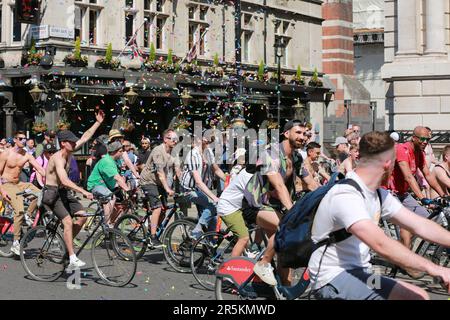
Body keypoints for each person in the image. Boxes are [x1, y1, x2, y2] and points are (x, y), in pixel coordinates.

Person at [309, 131, 450, 300]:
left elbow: (419, 225)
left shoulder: (378, 195)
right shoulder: (346, 195)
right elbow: (381, 244)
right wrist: (436, 269)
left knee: (417, 294)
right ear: (388, 164)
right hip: (332, 278)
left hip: (362, 275)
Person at [249, 120, 319, 286]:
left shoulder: (296, 157)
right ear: (286, 134)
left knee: (285, 250)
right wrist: (292, 211)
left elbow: (310, 183)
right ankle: (263, 263)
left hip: (274, 207)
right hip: (255, 205)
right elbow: (279, 186)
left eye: (305, 134)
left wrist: (330, 196)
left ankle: (285, 290)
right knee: (286, 226)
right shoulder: (270, 154)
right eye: (298, 133)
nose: (303, 137)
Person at [43, 110, 104, 270]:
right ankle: (71, 257)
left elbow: (85, 136)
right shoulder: (57, 158)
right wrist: (83, 191)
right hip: (52, 193)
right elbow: (63, 180)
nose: (74, 143)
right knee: (68, 221)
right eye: (71, 142)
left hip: (63, 193)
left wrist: (97, 122)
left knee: (82, 217)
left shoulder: (70, 151)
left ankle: (65, 242)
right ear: (63, 143)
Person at [383, 126, 446, 272]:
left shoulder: (420, 153)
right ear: (414, 138)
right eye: (423, 139)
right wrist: (423, 198)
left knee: (427, 219)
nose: (425, 142)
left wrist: (443, 195)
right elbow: (408, 177)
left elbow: (428, 175)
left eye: (428, 139)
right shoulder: (402, 149)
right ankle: (405, 260)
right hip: (389, 192)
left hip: (403, 193)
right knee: (406, 223)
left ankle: (403, 252)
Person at [0, 131, 45, 255]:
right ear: (15, 140)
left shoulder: (26, 155)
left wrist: (51, 178)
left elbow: (39, 168)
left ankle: (28, 215)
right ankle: (15, 243)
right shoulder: (6, 154)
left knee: (40, 193)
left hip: (19, 184)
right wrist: (2, 191)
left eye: (25, 139)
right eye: (20, 138)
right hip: (7, 184)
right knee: (19, 210)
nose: (23, 141)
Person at [140, 129, 181, 248]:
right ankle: (153, 237)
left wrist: (185, 184)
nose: (175, 141)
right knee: (157, 207)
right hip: (148, 181)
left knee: (164, 209)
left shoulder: (174, 152)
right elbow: (160, 173)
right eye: (172, 139)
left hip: (159, 183)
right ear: (165, 139)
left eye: (176, 139)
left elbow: (178, 170)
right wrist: (168, 189)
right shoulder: (158, 151)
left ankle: (154, 227)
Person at [180, 134, 221, 239]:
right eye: (207, 138)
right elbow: (198, 181)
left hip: (201, 190)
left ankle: (210, 249)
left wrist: (230, 181)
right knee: (213, 205)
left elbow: (216, 170)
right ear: (199, 139)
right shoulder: (192, 154)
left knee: (213, 219)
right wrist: (214, 197)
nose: (210, 140)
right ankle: (196, 231)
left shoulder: (208, 152)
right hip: (189, 190)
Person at [87, 141, 130, 226]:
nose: (122, 153)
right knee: (111, 197)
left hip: (107, 185)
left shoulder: (115, 161)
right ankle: (106, 225)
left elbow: (119, 177)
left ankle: (111, 222)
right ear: (114, 151)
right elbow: (117, 177)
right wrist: (127, 189)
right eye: (120, 151)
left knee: (122, 204)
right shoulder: (107, 161)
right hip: (96, 185)